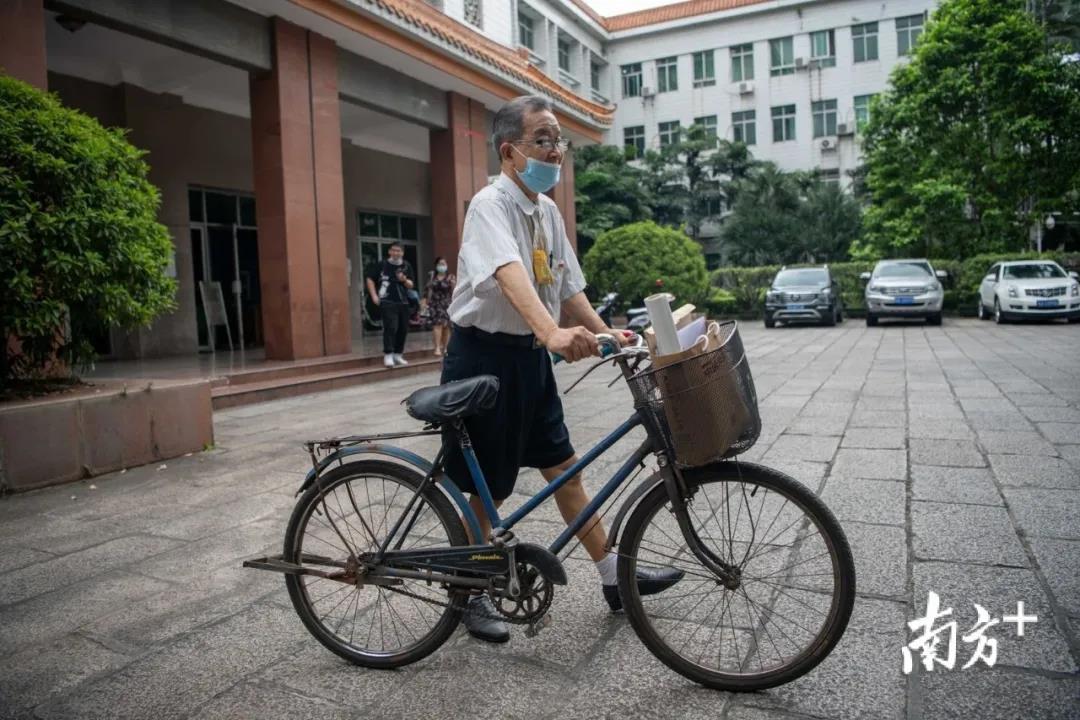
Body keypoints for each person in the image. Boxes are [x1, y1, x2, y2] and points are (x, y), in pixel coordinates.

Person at [443, 95, 683, 644]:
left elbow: (567, 286)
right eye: (543, 140)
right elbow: (508, 273)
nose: (556, 151)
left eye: (558, 140)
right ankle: (469, 590)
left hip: (528, 360)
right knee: (488, 487)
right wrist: (551, 333)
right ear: (510, 152)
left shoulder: (547, 211)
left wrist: (605, 333)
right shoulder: (489, 206)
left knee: (565, 468)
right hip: (483, 358)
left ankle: (614, 576)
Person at [365, 242, 414, 368]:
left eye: (399, 251)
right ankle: (388, 354)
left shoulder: (406, 266)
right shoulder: (382, 265)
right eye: (394, 250)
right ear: (389, 251)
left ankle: (398, 354)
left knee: (403, 328)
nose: (396, 253)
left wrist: (404, 280)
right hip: (387, 301)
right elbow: (370, 279)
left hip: (403, 301)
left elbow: (411, 285)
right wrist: (374, 295)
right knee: (391, 327)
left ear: (402, 253)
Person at [424, 257, 455, 356]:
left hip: (446, 304)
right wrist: (426, 302)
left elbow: (454, 291)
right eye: (440, 264)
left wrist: (453, 284)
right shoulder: (432, 276)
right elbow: (428, 290)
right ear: (436, 265)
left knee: (446, 327)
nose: (442, 266)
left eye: (444, 264)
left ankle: (446, 348)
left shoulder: (450, 277)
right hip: (435, 304)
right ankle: (437, 347)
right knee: (437, 325)